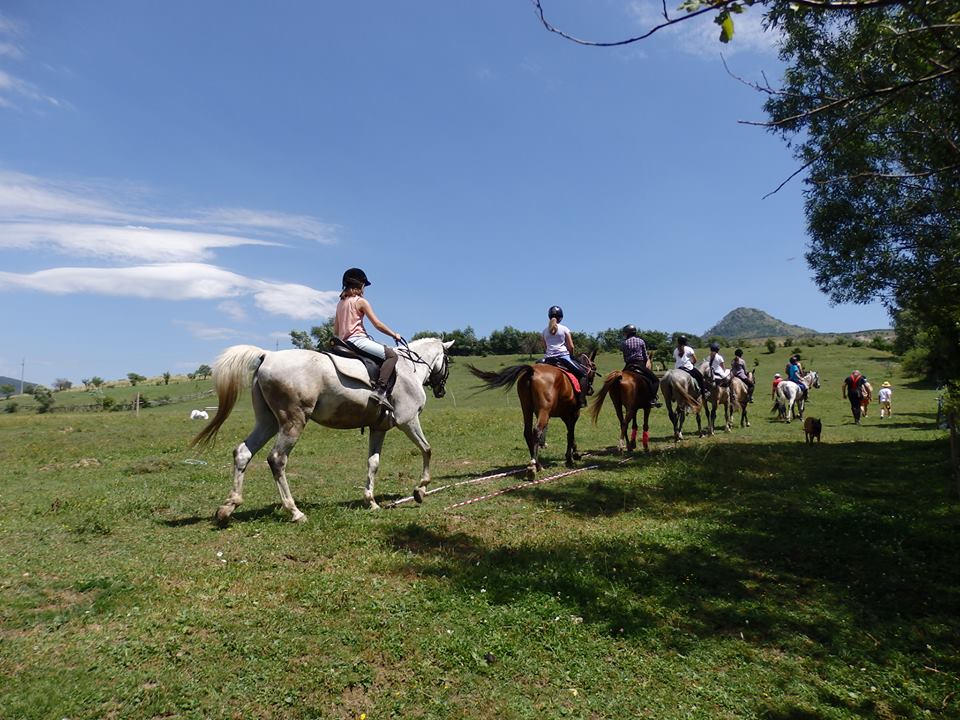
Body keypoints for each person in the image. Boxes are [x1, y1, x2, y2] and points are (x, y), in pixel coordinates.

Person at [334, 267, 403, 411]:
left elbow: (336, 330)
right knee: (392, 356)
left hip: (344, 343)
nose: (364, 288)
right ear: (360, 284)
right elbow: (377, 324)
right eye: (364, 285)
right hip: (357, 340)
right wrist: (394, 334)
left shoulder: (340, 303)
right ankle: (380, 391)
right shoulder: (360, 302)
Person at [541, 305, 592, 407]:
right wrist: (571, 355)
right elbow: (571, 346)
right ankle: (581, 400)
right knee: (583, 374)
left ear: (549, 316)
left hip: (548, 358)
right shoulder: (564, 329)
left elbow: (545, 347)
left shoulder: (544, 331)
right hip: (563, 357)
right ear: (561, 317)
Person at [620, 324, 662, 407]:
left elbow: (625, 357)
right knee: (655, 380)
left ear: (627, 333)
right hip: (640, 364)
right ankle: (652, 399)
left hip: (628, 365)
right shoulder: (641, 341)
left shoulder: (624, 343)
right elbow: (645, 356)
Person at [673, 335, 709, 400]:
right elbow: (695, 360)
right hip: (688, 367)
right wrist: (692, 364)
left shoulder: (675, 350)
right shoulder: (689, 349)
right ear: (685, 342)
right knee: (700, 376)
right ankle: (704, 392)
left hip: (677, 368)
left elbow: (675, 359)